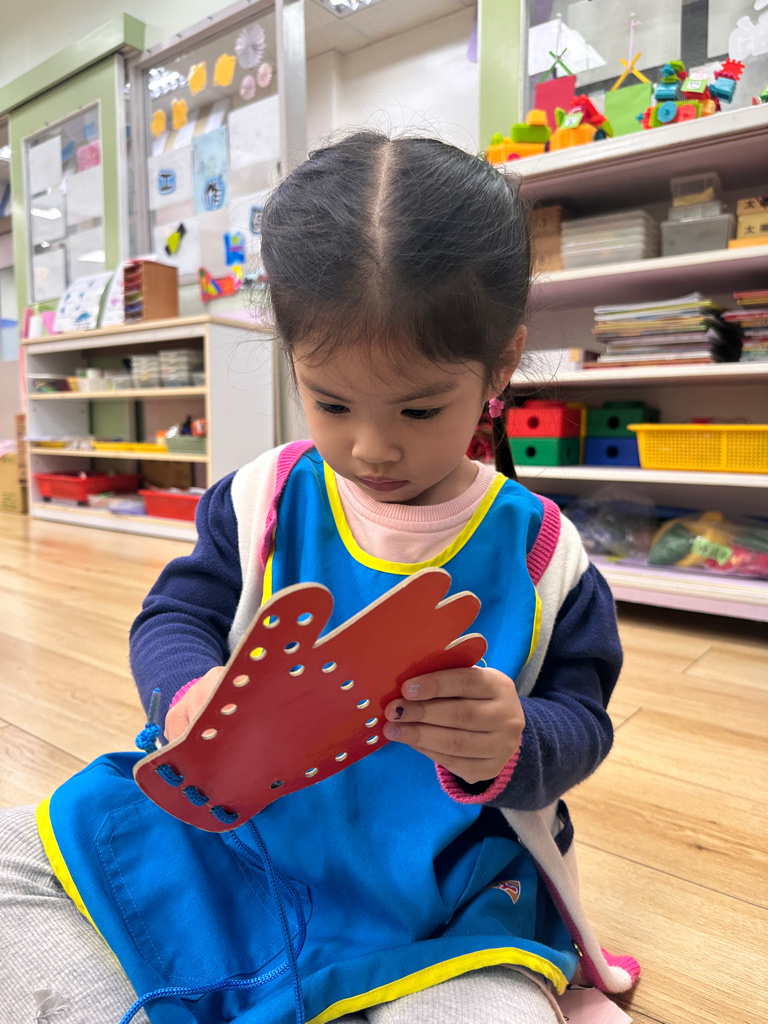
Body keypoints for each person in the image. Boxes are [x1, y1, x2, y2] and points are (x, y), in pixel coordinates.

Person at [0, 133, 639, 1024]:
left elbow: (583, 720)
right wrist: (186, 693)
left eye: (419, 408)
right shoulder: (260, 501)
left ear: (501, 366)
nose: (372, 448)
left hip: (437, 894)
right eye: (331, 402)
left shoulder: (545, 554)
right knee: (15, 862)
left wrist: (516, 739)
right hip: (235, 849)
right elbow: (172, 617)